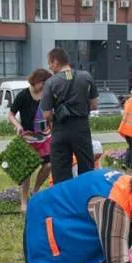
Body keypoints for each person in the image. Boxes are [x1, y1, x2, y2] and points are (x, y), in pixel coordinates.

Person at [41, 47, 99, 183]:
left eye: (50, 63)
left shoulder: (51, 82)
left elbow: (46, 114)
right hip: (81, 127)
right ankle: (86, 198)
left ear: (55, 62)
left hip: (60, 129)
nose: (49, 67)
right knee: (86, 167)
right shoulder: (86, 76)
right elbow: (94, 104)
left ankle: (64, 200)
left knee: (60, 170)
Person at [8, 68, 54, 212]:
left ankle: (35, 191)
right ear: (35, 81)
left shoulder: (48, 95)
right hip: (27, 137)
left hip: (45, 137)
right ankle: (24, 202)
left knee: (48, 165)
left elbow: (52, 113)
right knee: (26, 171)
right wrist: (18, 126)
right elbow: (10, 114)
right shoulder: (23, 95)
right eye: (42, 83)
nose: (44, 86)